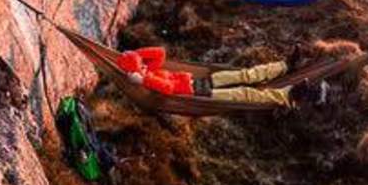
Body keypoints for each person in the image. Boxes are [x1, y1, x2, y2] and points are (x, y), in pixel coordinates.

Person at [116, 46, 291, 108]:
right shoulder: (147, 82)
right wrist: (143, 79)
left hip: (201, 82)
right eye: (140, 65)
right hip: (199, 95)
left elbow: (160, 52)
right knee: (243, 94)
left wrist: (138, 55)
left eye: (143, 63)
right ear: (135, 73)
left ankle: (283, 66)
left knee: (243, 74)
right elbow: (168, 89)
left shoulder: (149, 70)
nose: (145, 65)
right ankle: (286, 95)